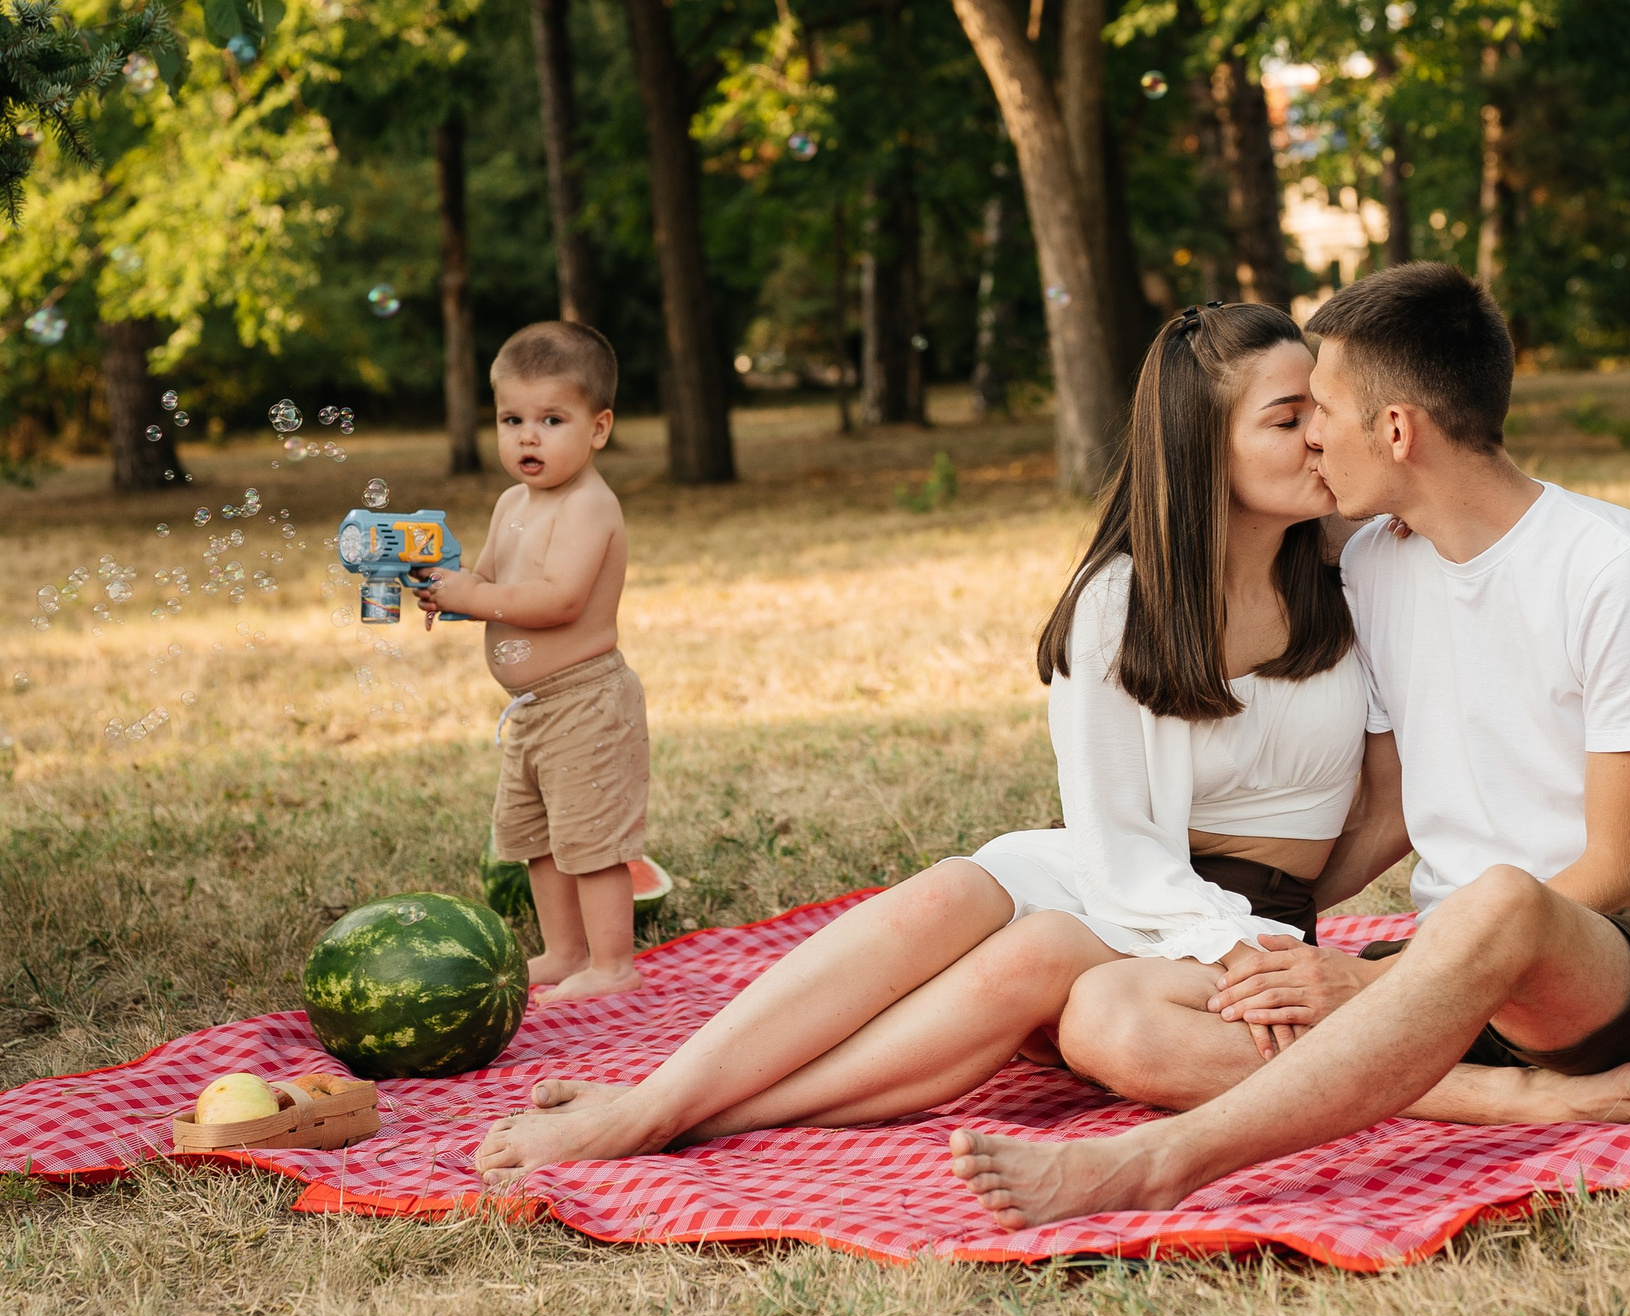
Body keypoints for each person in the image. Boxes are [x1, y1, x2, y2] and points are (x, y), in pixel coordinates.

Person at [949, 262, 1630, 1232]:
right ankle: (1498, 1095)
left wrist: (1373, 978)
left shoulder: (1616, 572)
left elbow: (1624, 871)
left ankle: (1158, 1164)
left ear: (1396, 431)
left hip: (1629, 968)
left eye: (1323, 410)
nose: (1311, 438)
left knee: (1501, 899)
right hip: (1449, 978)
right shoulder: (1376, 564)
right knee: (1105, 1013)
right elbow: (1385, 809)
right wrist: (1239, 930)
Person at [474, 302, 1370, 1177]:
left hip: (1241, 911)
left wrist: (1244, 941)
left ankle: (682, 1117)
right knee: (950, 891)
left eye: (1319, 412)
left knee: (1038, 952)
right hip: (1130, 872)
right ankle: (661, 1098)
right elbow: (1115, 835)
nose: (1321, 437)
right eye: (1289, 418)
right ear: (1202, 445)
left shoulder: (1352, 568)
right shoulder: (1118, 600)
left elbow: (1394, 796)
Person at [416, 319, 664, 1003]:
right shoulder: (510, 504)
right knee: (539, 836)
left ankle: (612, 966)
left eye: (552, 420)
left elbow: (559, 601)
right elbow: (488, 583)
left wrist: (476, 595)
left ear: (598, 428)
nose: (529, 437)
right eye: (512, 420)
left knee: (591, 837)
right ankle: (565, 952)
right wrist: (447, 591)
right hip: (531, 709)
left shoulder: (589, 506)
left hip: (587, 701)